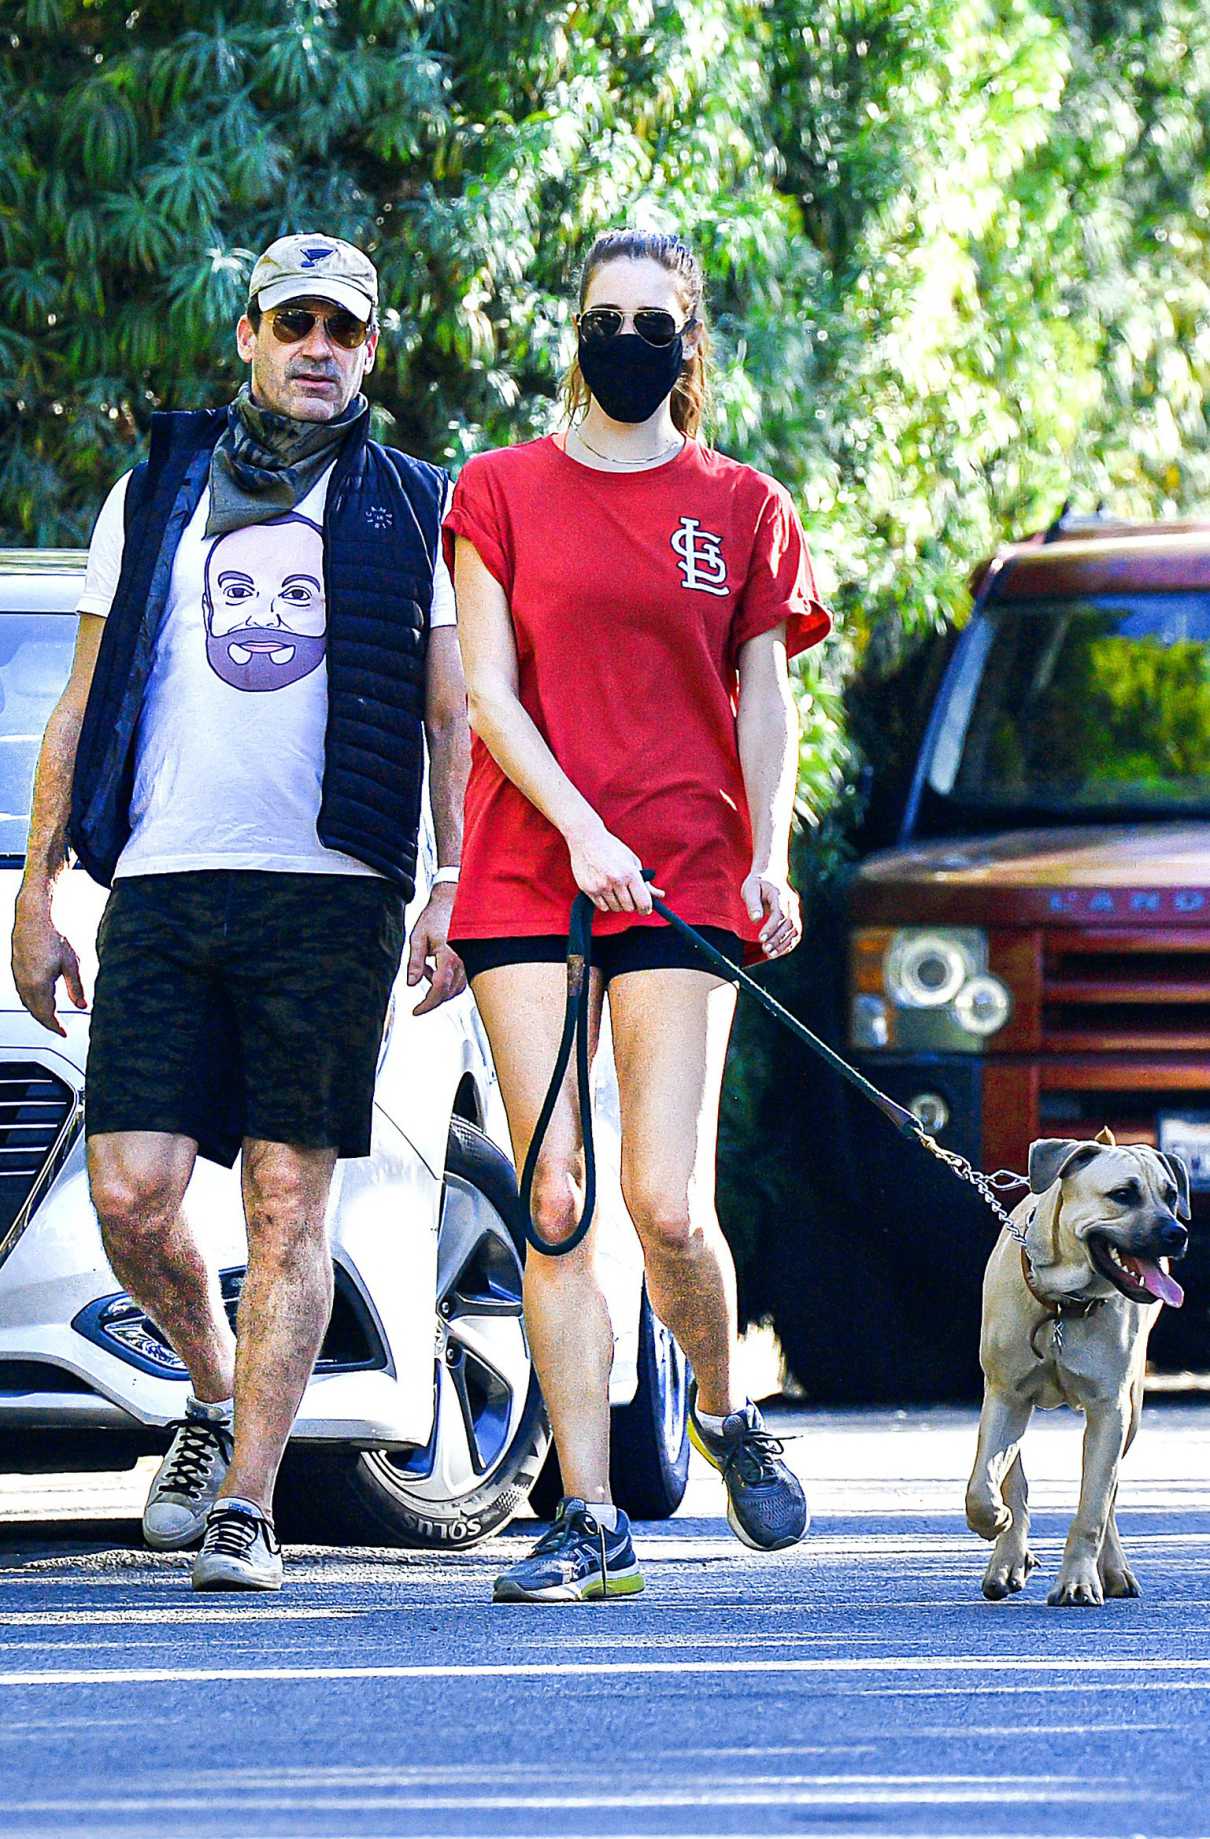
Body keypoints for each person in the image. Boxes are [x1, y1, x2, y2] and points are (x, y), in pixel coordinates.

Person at [10, 234, 468, 1592]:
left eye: (344, 329)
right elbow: (81, 702)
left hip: (333, 894)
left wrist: (453, 883)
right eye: (293, 324)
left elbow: (451, 711)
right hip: (157, 879)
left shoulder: (411, 504)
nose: (317, 348)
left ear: (370, 351)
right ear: (249, 339)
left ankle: (248, 1505)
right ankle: (212, 1401)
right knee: (131, 1192)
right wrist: (40, 886)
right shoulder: (155, 490)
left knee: (286, 1198)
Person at [445, 228, 831, 1603]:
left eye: (649, 318)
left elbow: (764, 698)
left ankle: (722, 1417)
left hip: (681, 867)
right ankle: (591, 1515)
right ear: (576, 334)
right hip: (527, 866)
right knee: (553, 1200)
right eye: (602, 315)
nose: (624, 337)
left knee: (665, 1207)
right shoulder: (496, 489)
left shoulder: (741, 504)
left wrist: (767, 860)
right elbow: (488, 695)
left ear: (687, 342)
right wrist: (578, 833)